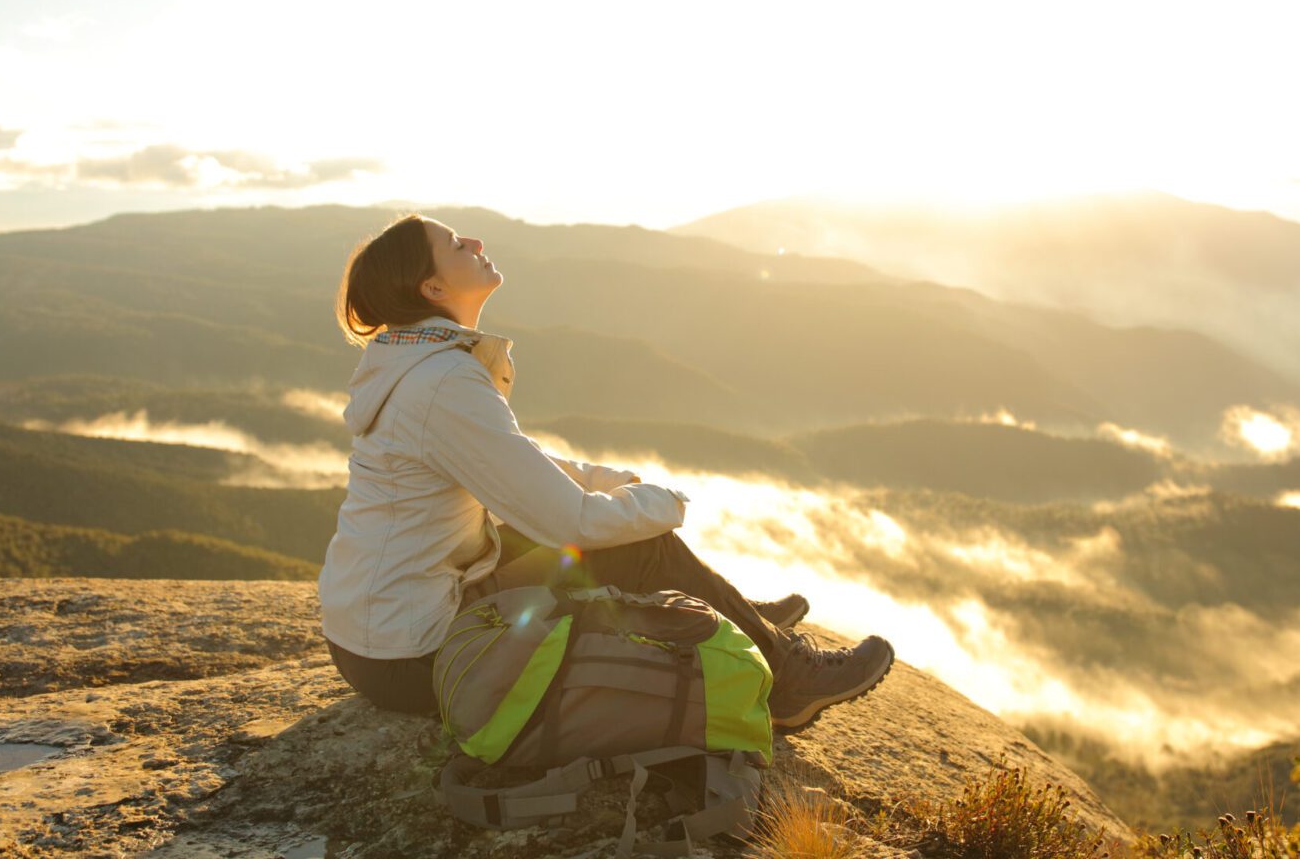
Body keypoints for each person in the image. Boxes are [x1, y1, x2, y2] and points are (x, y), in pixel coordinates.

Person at [318, 212, 894, 733]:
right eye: (455, 243)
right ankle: (789, 679)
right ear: (434, 288)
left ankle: (738, 615)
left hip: (373, 640)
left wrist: (613, 481)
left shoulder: (420, 366)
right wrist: (663, 501)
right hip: (411, 655)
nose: (475, 240)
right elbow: (575, 523)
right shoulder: (442, 382)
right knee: (636, 547)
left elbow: (520, 465)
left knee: (547, 528)